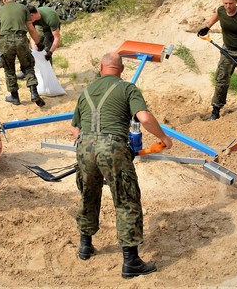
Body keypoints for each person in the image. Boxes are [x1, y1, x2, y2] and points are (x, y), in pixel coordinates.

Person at [70, 52, 173, 278]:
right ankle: (131, 261)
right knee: (126, 199)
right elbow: (144, 118)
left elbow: (75, 127)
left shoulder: (86, 91)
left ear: (101, 67)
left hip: (84, 146)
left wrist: (90, 144)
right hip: (113, 146)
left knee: (88, 194)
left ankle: (85, 246)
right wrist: (164, 138)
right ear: (122, 70)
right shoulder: (127, 88)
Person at [200, 0, 237, 122]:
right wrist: (207, 27)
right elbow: (217, 14)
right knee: (221, 80)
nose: (228, 6)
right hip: (227, 51)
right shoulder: (221, 10)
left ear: (236, 1)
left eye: (231, 3)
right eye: (225, 3)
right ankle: (215, 111)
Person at [0, 0, 45, 106]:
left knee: (9, 70)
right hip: (21, 40)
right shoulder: (23, 8)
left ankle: (14, 97)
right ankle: (34, 93)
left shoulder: (0, 11)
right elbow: (30, 28)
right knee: (28, 66)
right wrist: (38, 43)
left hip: (5, 41)